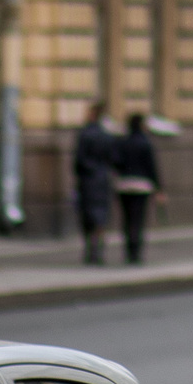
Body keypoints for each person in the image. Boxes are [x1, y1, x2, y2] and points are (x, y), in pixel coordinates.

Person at [112, 113, 161, 264]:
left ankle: (128, 251)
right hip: (141, 186)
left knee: (127, 219)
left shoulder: (122, 142)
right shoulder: (145, 143)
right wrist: (159, 188)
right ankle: (136, 253)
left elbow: (116, 161)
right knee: (138, 219)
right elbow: (152, 167)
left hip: (124, 185)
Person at [74, 103, 119, 265]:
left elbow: (79, 160)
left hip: (87, 181)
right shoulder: (107, 136)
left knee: (88, 216)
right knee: (101, 217)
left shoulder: (85, 135)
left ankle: (89, 251)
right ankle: (99, 251)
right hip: (103, 180)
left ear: (92, 114)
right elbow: (114, 159)